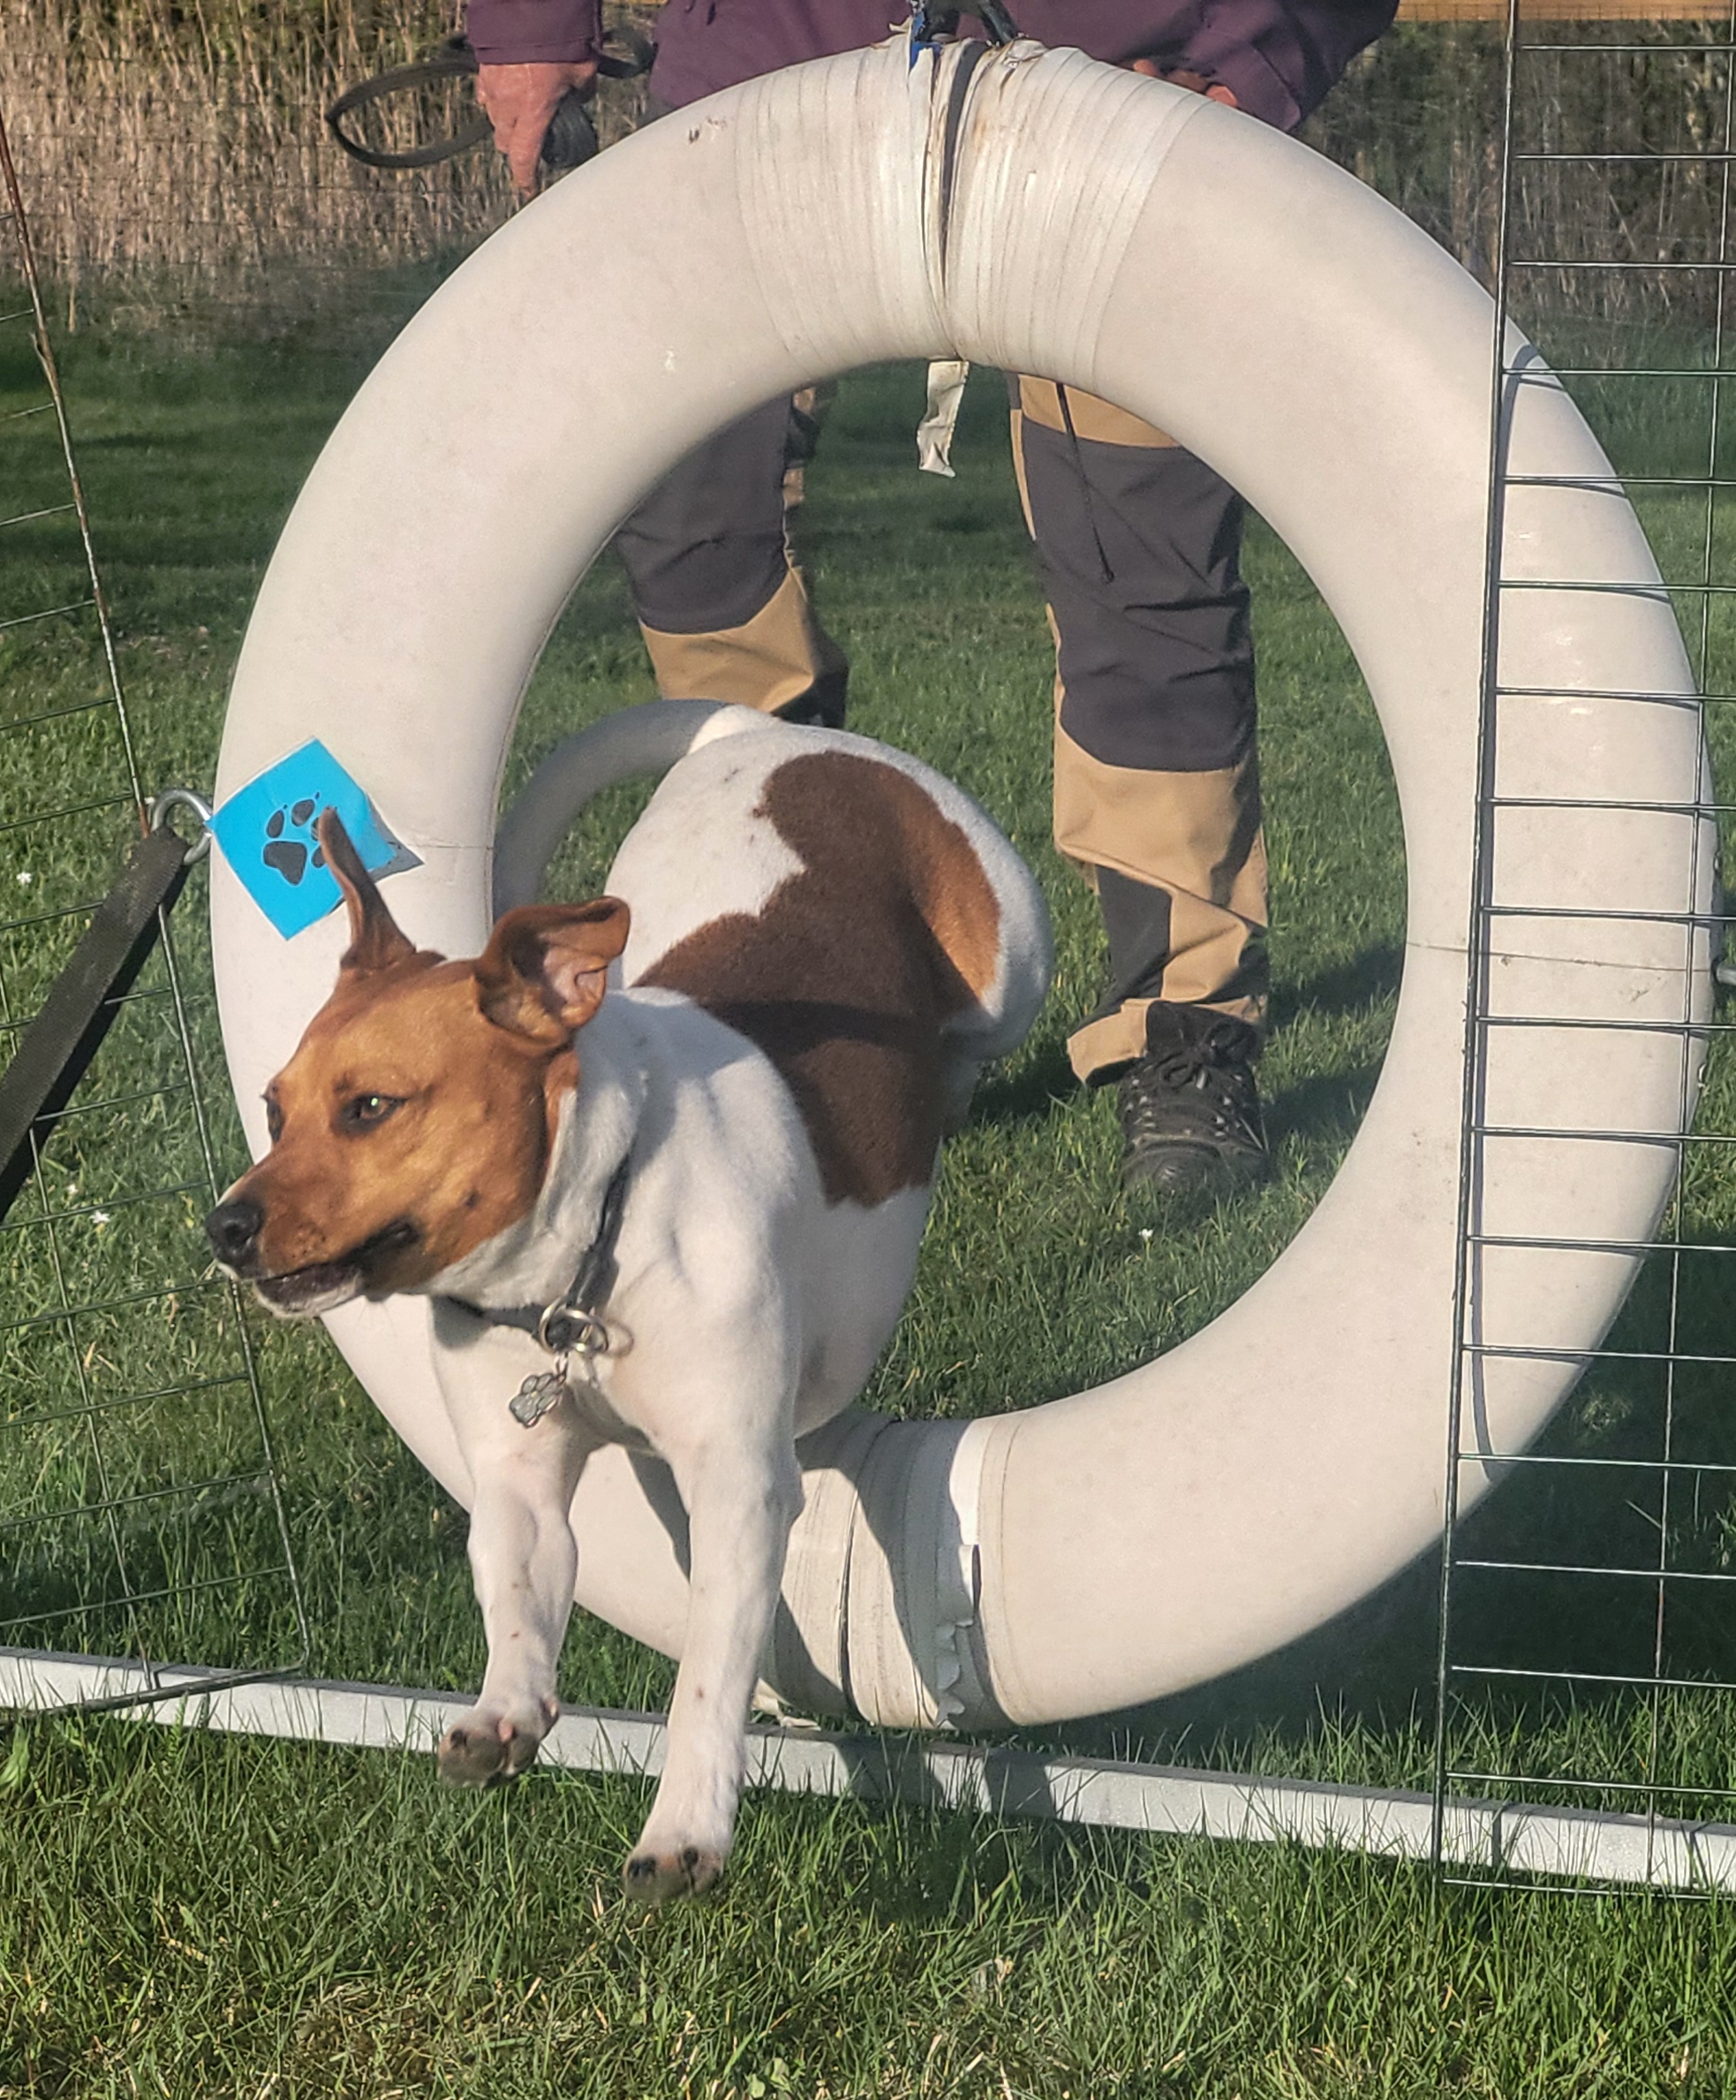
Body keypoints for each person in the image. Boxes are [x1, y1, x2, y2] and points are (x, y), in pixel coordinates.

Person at [461, 0, 1398, 1205]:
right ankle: (795, 973)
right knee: (699, 537)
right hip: (769, 66)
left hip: (1130, 82)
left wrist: (1261, 52)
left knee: (1145, 570)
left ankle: (1185, 1035)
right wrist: (526, 28)